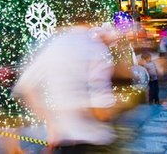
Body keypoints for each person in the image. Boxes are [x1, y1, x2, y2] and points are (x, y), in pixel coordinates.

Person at [13, 22, 120, 151]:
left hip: (61, 139)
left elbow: (25, 86)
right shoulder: (95, 48)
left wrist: (50, 123)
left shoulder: (52, 45)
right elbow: (101, 111)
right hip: (92, 140)